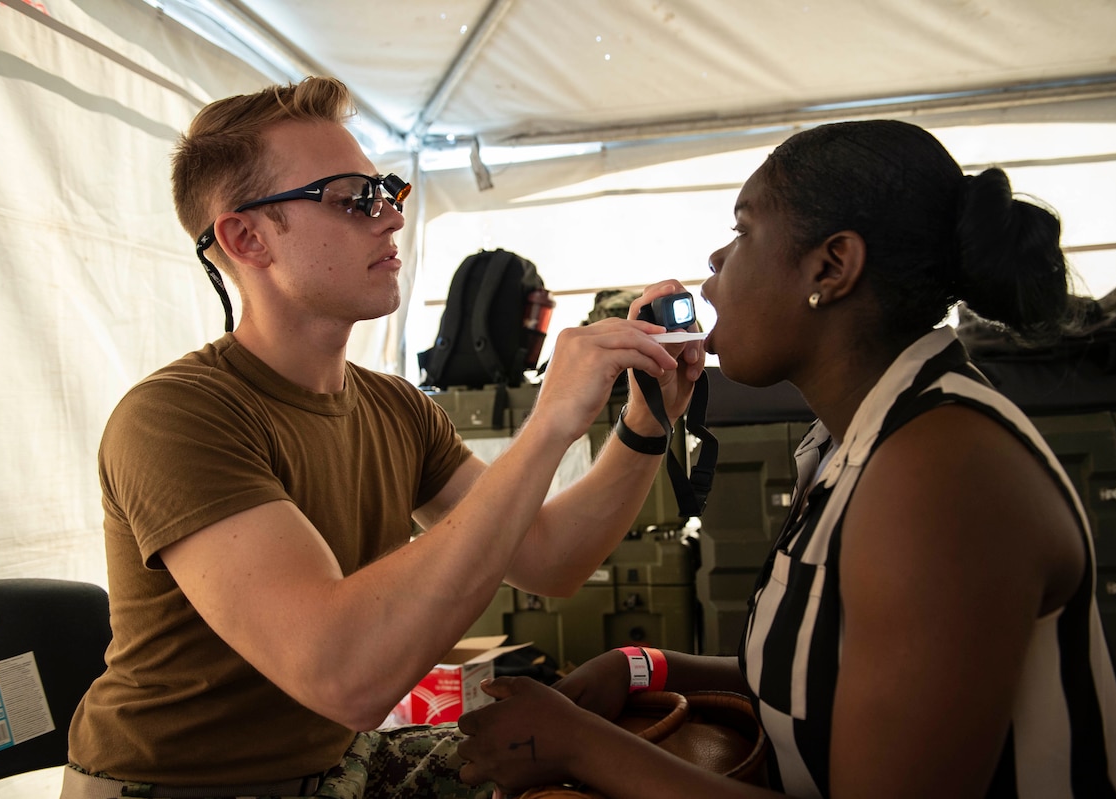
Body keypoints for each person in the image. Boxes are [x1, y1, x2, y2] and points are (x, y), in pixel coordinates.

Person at [455, 120, 1116, 798]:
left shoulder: (940, 474)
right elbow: (816, 680)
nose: (715, 264)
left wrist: (579, 743)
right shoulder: (858, 441)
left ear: (832, 266)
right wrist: (643, 665)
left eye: (742, 230)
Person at [62, 76, 705, 798]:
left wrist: (646, 423)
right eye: (350, 198)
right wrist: (550, 424)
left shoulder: (396, 408)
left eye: (386, 192)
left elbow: (550, 558)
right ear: (246, 236)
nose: (391, 219)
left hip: (335, 765)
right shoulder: (178, 417)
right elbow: (345, 675)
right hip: (179, 785)